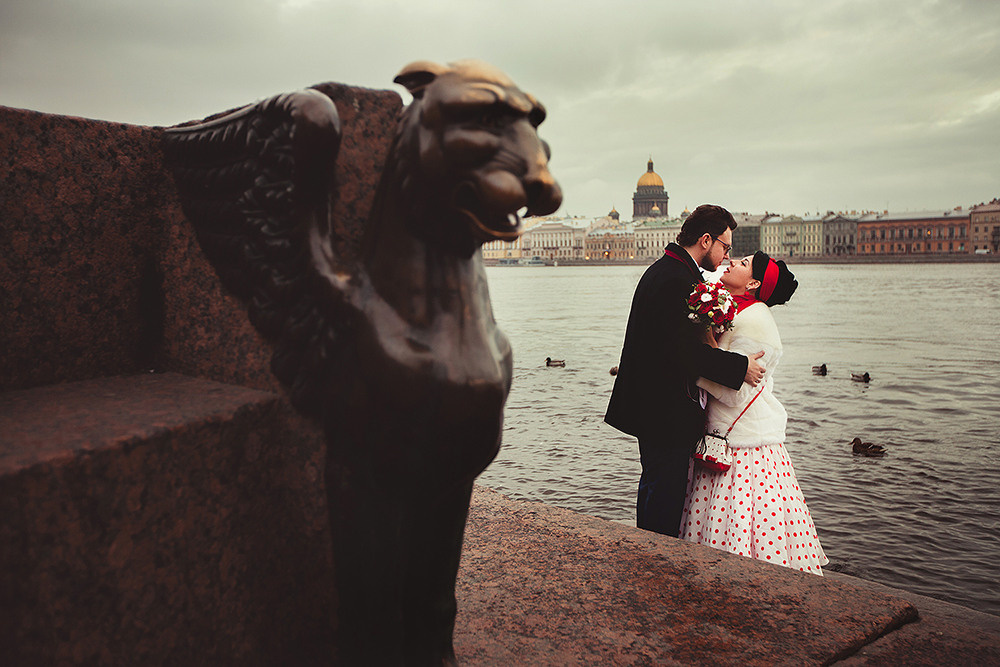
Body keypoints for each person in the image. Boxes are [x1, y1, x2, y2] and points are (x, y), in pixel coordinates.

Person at [605, 204, 766, 537]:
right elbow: (682, 352)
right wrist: (741, 367)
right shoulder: (676, 279)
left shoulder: (671, 270)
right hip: (663, 409)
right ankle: (655, 556)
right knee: (664, 492)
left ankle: (647, 548)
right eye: (725, 246)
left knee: (656, 485)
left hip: (654, 404)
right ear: (706, 240)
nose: (726, 256)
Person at [680, 251, 828, 574]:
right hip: (724, 436)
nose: (732, 262)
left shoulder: (756, 322)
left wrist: (703, 347)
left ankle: (744, 575)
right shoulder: (736, 310)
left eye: (743, 264)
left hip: (744, 447)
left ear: (753, 283)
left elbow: (734, 393)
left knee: (740, 518)